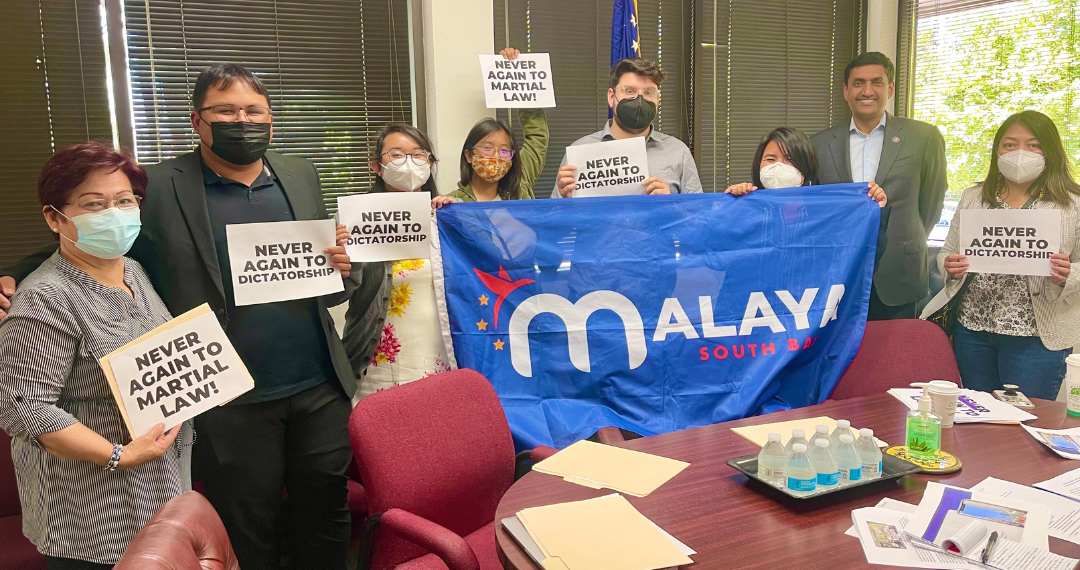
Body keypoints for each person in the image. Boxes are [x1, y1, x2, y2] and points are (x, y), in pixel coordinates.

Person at [0, 64, 360, 570]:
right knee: (245, 524)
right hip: (227, 397)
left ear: (272, 119)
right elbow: (81, 241)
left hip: (318, 384)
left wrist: (341, 267)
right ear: (197, 121)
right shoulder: (158, 187)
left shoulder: (299, 173)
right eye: (226, 110)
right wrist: (8, 276)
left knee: (327, 510)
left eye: (254, 110)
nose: (243, 120)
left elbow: (326, 271)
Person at [0, 142, 192, 569]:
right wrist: (118, 454)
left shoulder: (133, 271)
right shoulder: (43, 300)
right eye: (94, 204)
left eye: (125, 201)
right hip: (90, 515)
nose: (115, 213)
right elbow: (24, 409)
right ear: (54, 217)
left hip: (159, 490)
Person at [921, 111, 1080, 400]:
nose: (1020, 153)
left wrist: (1068, 274)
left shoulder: (1072, 203)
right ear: (997, 150)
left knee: (1028, 421)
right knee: (978, 417)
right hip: (973, 330)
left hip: (1036, 337)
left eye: (1033, 145)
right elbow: (947, 251)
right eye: (1009, 144)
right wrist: (948, 264)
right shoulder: (974, 197)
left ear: (1050, 150)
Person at [812, 52, 948, 320]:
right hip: (838, 271)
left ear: (890, 88)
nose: (867, 91)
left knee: (896, 357)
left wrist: (908, 235)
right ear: (846, 90)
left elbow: (932, 201)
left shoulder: (923, 137)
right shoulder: (820, 144)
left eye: (876, 82)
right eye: (858, 83)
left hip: (900, 270)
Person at [343, 123, 453, 401]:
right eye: (396, 154)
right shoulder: (356, 219)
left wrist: (458, 222)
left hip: (440, 352)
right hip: (378, 355)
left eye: (418, 154)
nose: (409, 162)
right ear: (376, 166)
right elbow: (338, 293)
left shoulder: (444, 217)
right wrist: (344, 254)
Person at [725, 127, 890, 266]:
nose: (778, 165)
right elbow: (719, 254)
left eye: (789, 159)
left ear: (805, 168)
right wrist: (730, 206)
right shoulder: (747, 207)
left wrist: (876, 210)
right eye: (770, 158)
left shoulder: (824, 215)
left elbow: (862, 258)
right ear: (758, 164)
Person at [553, 57, 702, 198]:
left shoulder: (678, 152)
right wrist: (566, 202)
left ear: (657, 99)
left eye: (648, 92)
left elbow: (698, 216)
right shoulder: (580, 151)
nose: (639, 99)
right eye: (630, 91)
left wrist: (670, 203)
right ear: (611, 97)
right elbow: (555, 218)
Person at [449, 47, 549, 202]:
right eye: (487, 148)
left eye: (504, 151)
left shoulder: (519, 188)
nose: (496, 157)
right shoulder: (453, 202)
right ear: (469, 155)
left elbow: (537, 138)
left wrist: (519, 74)